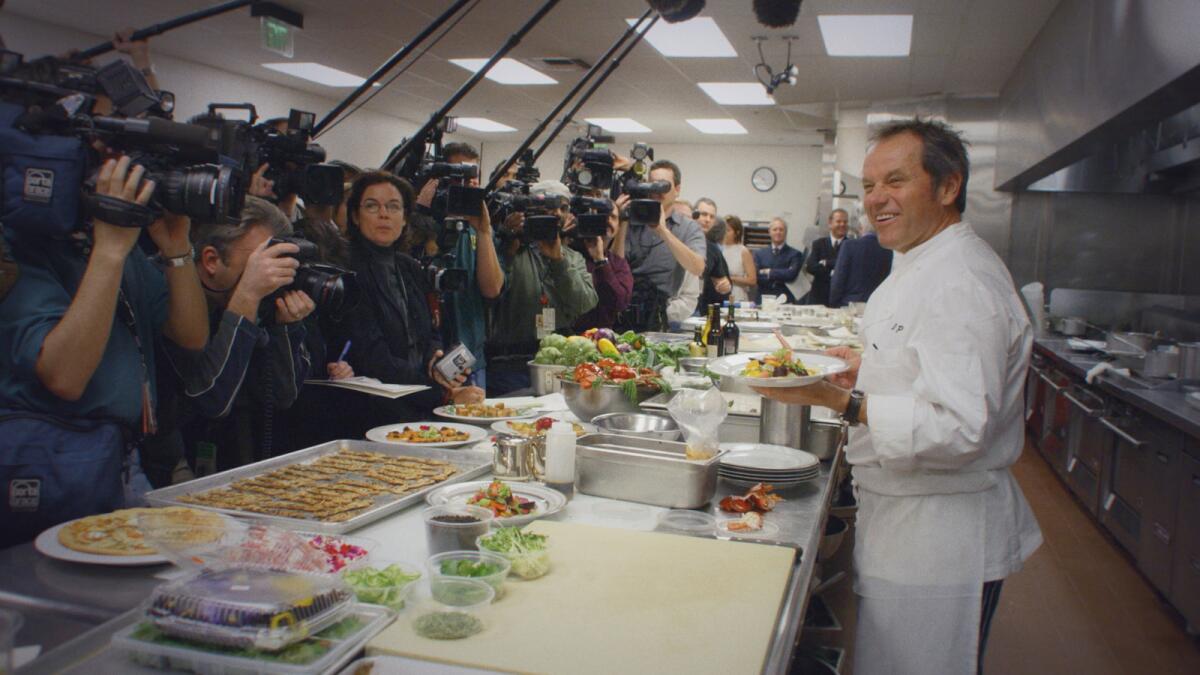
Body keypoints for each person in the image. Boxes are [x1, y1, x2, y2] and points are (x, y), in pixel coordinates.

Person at [753, 118, 1042, 675]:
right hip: (904, 520)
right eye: (867, 186)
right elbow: (925, 363)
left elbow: (960, 427)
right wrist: (866, 369)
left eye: (896, 181)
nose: (876, 200)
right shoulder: (922, 262)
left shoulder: (960, 280)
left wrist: (843, 403)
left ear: (948, 185)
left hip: (941, 537)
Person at [0, 156, 208, 545]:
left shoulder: (117, 244)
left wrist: (178, 248)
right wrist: (109, 250)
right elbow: (64, 376)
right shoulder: (20, 244)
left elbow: (190, 334)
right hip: (48, 463)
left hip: (118, 458)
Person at [156, 197, 312, 473]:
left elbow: (282, 396)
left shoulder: (257, 300)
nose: (269, 272)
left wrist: (284, 327)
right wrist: (247, 295)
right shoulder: (167, 292)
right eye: (258, 261)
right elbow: (210, 401)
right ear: (211, 260)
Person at [328, 172, 480, 430]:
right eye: (372, 206)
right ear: (355, 216)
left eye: (393, 206)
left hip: (417, 406)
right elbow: (372, 357)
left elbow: (430, 332)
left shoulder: (409, 267)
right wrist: (441, 394)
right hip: (370, 411)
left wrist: (435, 360)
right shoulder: (345, 269)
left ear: (405, 217)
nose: (384, 214)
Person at [488, 180, 598, 394]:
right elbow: (492, 291)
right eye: (549, 206)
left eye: (563, 208)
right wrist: (508, 244)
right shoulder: (510, 250)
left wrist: (559, 262)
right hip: (509, 365)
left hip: (558, 363)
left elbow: (585, 304)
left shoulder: (572, 258)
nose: (557, 213)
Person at [414, 142, 502, 391]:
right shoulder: (422, 226)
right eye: (458, 178)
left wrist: (483, 230)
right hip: (427, 359)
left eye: (472, 180)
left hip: (468, 356)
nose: (466, 186)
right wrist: (421, 213)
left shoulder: (479, 230)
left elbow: (492, 289)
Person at [614, 159, 706, 331]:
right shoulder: (632, 221)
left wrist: (663, 231)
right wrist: (621, 221)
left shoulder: (688, 228)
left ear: (677, 190)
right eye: (652, 185)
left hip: (658, 315)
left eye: (663, 185)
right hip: (622, 312)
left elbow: (697, 267)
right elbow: (615, 263)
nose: (656, 191)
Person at [573, 197, 633, 331]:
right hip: (567, 337)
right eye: (603, 215)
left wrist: (600, 261)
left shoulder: (617, 262)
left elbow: (620, 302)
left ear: (618, 226)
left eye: (613, 217)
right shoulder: (571, 254)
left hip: (601, 339)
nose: (608, 221)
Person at [829, 216, 892, 307]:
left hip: (850, 304)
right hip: (877, 304)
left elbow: (839, 277)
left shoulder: (849, 246)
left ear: (861, 228)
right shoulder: (888, 249)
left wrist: (833, 303)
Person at [693, 197, 732, 314]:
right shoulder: (680, 239)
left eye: (711, 216)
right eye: (704, 214)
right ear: (694, 214)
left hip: (698, 309)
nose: (707, 219)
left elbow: (722, 281)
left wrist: (725, 286)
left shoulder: (712, 249)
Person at [752, 217, 803, 303]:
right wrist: (783, 273)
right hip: (763, 299)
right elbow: (756, 276)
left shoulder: (795, 254)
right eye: (775, 229)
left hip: (785, 300)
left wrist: (768, 272)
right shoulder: (759, 254)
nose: (778, 232)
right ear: (769, 232)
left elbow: (791, 275)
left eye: (781, 229)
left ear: (786, 232)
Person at [805, 209, 849, 306]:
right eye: (839, 221)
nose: (842, 224)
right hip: (819, 297)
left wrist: (826, 263)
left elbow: (850, 268)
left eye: (845, 222)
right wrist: (834, 271)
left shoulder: (851, 245)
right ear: (830, 223)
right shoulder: (818, 244)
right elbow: (811, 267)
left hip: (840, 299)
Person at [721, 215, 756, 304]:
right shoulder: (718, 248)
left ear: (736, 232)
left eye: (728, 230)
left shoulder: (743, 251)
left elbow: (752, 280)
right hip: (719, 293)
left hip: (737, 294)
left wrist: (730, 278)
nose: (724, 233)